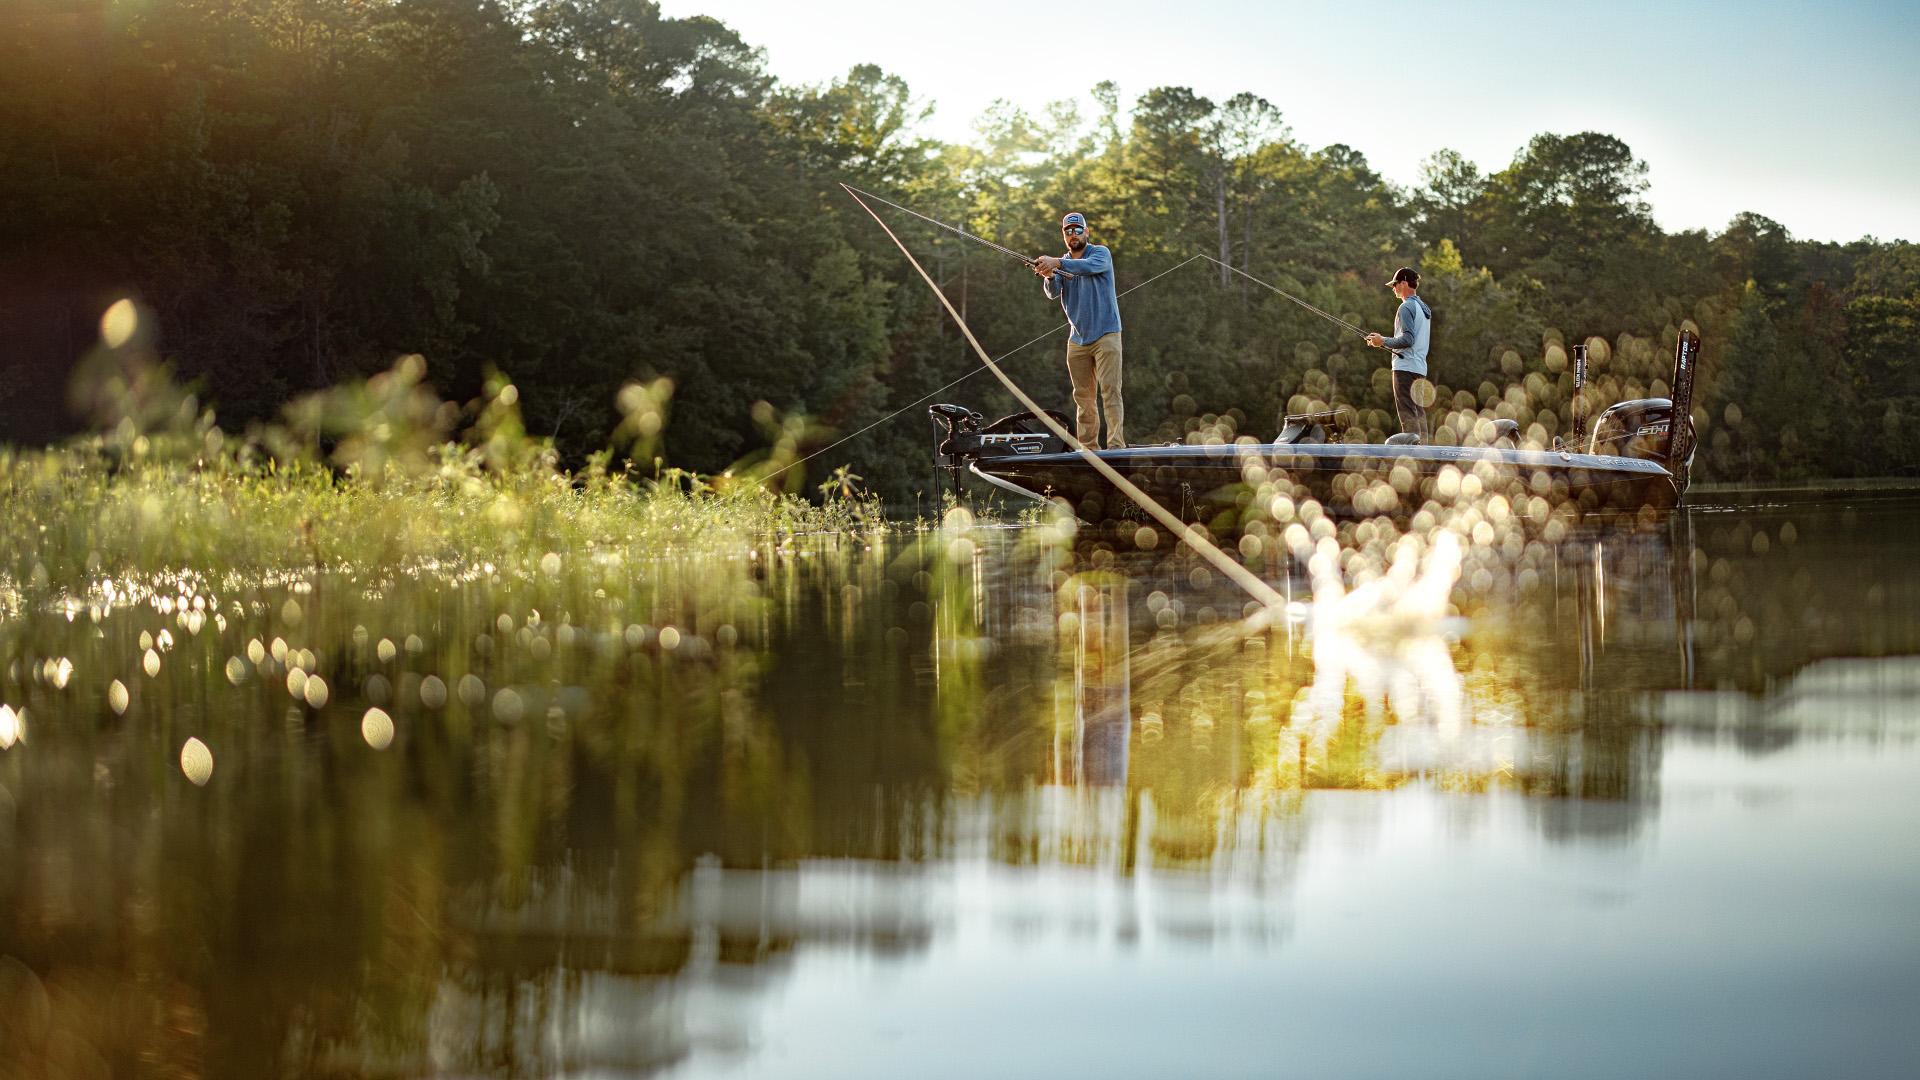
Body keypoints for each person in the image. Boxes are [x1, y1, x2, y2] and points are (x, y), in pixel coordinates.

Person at [1033, 212, 1124, 449]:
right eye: (1068, 231)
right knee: (1083, 398)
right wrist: (1049, 274)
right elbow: (1052, 293)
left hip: (1107, 334)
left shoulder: (1100, 253)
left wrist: (1057, 263)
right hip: (1077, 339)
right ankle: (1088, 449)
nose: (1073, 235)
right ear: (1064, 235)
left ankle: (1115, 446)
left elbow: (1089, 267)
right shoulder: (1060, 262)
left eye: (1077, 230)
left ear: (1086, 231)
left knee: (1110, 391)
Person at [1364, 266, 1433, 441]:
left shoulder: (1406, 307)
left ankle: (1414, 457)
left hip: (1405, 369)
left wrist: (1383, 341)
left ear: (1403, 283)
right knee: (1418, 412)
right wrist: (1382, 342)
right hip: (1419, 368)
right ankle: (1425, 452)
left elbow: (1408, 340)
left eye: (1395, 284)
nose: (1393, 288)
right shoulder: (1423, 307)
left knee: (1408, 413)